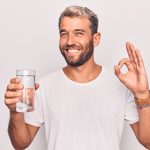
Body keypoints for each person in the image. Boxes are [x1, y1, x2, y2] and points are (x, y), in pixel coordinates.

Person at [4, 5, 150, 150]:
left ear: (96, 39)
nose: (69, 41)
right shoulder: (43, 87)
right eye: (64, 34)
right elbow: (20, 144)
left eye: (78, 33)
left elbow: (148, 142)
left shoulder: (120, 85)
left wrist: (142, 94)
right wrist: (15, 112)